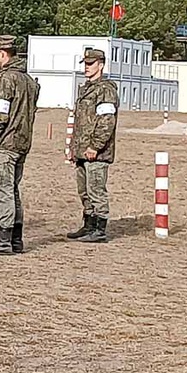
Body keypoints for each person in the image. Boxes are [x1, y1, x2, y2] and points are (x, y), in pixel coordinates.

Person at [0, 35, 40, 255]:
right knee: (13, 191)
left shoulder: (6, 80)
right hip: (22, 143)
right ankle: (16, 239)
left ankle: (3, 240)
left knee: (3, 192)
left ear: (2, 54)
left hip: (5, 143)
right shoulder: (29, 81)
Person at [66, 48, 118, 243]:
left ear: (101, 65)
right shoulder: (86, 88)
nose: (87, 68)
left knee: (96, 189)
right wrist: (74, 149)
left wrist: (95, 146)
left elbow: (106, 121)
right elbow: (80, 122)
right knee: (84, 190)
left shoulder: (105, 89)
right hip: (82, 150)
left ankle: (100, 228)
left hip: (96, 152)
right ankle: (88, 224)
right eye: (85, 64)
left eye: (91, 64)